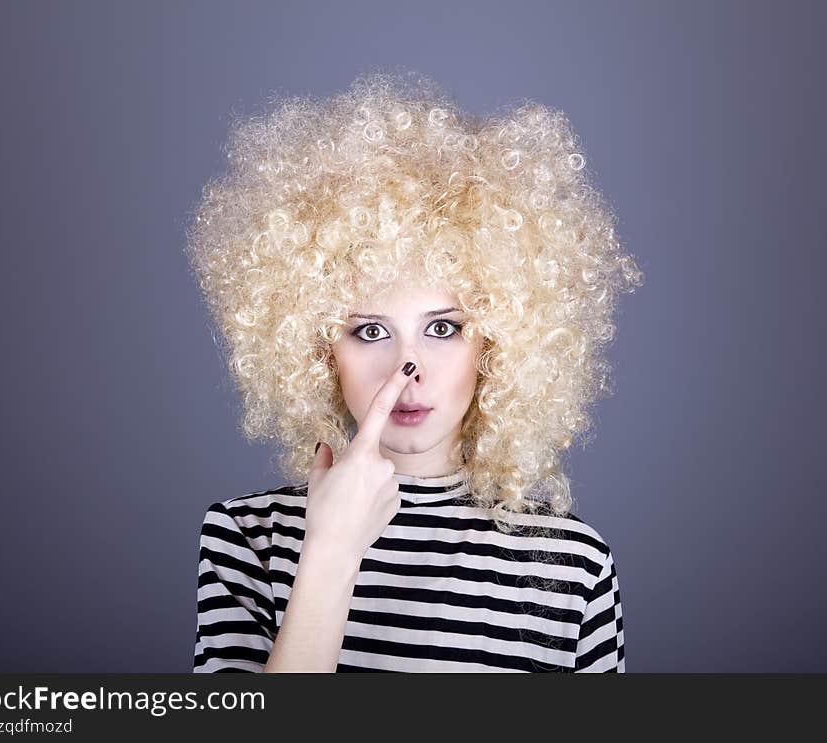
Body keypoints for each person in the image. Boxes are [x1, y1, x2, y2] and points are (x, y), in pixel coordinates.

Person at [185, 69, 644, 672]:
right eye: (370, 331)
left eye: (443, 328)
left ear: (496, 343)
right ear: (319, 347)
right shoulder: (249, 538)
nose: (408, 369)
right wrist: (330, 551)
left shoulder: (570, 566)